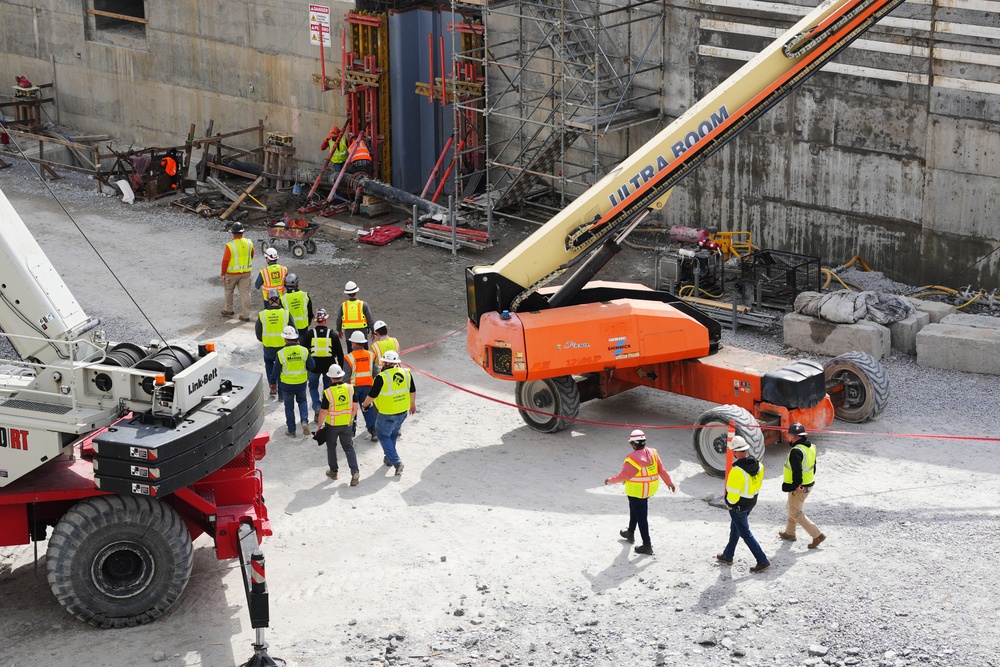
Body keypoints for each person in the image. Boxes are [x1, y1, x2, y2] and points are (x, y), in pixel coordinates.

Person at [604, 429, 676, 556]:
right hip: (649, 488)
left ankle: (647, 545)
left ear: (633, 444)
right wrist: (669, 482)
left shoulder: (632, 459)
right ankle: (630, 533)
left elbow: (623, 475)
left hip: (636, 490)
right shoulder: (653, 453)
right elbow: (661, 469)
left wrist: (610, 480)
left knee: (641, 517)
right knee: (634, 509)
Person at [716, 436, 770, 572]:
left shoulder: (737, 471)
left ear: (734, 452)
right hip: (751, 502)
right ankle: (727, 556)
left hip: (738, 506)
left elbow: (733, 493)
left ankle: (762, 561)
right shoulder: (759, 466)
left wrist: (729, 503)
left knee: (745, 533)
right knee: (735, 529)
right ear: (746, 449)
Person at [361, 350, 415, 477]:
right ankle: (389, 458)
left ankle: (397, 462)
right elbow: (412, 390)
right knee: (393, 434)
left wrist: (364, 405)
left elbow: (372, 395)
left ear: (385, 362)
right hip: (402, 411)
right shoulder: (406, 373)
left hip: (387, 413)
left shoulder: (381, 377)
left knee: (383, 436)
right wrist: (412, 404)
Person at [779, 422, 826, 549]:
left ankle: (817, 535)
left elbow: (797, 470)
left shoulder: (796, 451)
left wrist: (797, 485)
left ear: (794, 437)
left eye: (790, 435)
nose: (789, 437)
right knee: (791, 506)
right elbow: (813, 465)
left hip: (799, 486)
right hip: (808, 483)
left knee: (796, 512)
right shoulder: (811, 446)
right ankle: (790, 533)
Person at [316, 364, 360, 486]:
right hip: (347, 424)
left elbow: (323, 411)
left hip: (332, 425)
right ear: (341, 376)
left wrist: (319, 426)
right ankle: (355, 471)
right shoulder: (351, 388)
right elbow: (355, 406)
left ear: (330, 378)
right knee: (348, 447)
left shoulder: (328, 392)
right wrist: (351, 418)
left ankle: (334, 471)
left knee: (331, 447)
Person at [302, 308, 345, 416]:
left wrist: (305, 366)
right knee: (328, 388)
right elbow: (340, 353)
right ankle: (327, 407)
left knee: (312, 387)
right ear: (325, 319)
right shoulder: (332, 334)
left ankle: (317, 406)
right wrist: (340, 368)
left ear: (316, 320)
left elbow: (304, 351)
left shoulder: (310, 334)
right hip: (329, 367)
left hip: (314, 366)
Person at [276, 325, 315, 438]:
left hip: (287, 385)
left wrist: (273, 382)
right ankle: (304, 421)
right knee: (302, 402)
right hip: (301, 383)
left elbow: (275, 371)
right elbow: (312, 366)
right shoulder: (304, 350)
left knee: (289, 407)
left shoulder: (281, 353)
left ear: (285, 339)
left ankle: (292, 431)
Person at [255, 289, 291, 397]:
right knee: (282, 369)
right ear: (279, 300)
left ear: (268, 301)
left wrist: (264, 340)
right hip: (283, 347)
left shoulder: (262, 315)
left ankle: (272, 387)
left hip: (268, 347)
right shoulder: (286, 314)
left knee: (269, 365)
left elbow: (258, 332)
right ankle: (281, 394)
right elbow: (293, 330)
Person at [344, 330, 377, 440]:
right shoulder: (371, 355)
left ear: (353, 343)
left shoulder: (349, 358)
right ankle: (373, 430)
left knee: (353, 409)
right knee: (367, 408)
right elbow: (375, 373)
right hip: (368, 386)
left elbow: (346, 377)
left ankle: (351, 431)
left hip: (354, 388)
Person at [220, 222, 255, 321]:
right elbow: (252, 254)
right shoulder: (249, 243)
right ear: (243, 232)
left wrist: (223, 274)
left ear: (233, 233)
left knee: (229, 291)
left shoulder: (230, 245)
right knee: (245, 293)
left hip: (232, 274)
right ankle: (246, 315)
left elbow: (225, 261)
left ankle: (229, 310)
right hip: (246, 272)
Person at [336, 280, 374, 347]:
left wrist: (339, 330)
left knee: (351, 355)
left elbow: (339, 320)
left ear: (347, 293)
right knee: (364, 354)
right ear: (357, 292)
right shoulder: (363, 305)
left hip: (349, 334)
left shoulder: (343, 305)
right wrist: (373, 332)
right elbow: (370, 320)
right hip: (362, 333)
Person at [280, 273, 313, 339]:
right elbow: (309, 310)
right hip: (303, 326)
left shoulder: (283, 299)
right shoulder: (304, 295)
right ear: (296, 283)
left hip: (290, 328)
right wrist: (309, 320)